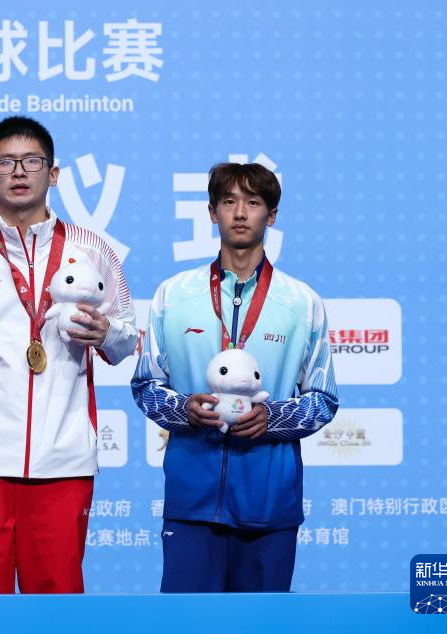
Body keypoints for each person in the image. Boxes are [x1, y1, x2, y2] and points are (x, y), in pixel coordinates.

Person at [0, 116, 138, 594]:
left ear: (53, 173)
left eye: (31, 161)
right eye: (6, 163)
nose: (19, 172)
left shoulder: (91, 250)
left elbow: (128, 339)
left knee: (57, 602)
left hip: (64, 459)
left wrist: (106, 333)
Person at [131, 162, 339, 592]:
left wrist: (272, 418)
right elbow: (146, 385)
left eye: (253, 202)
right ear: (212, 212)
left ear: (272, 215)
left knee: (264, 623)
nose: (240, 212)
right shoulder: (173, 294)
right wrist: (184, 410)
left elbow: (323, 399)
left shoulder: (302, 302)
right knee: (187, 622)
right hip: (191, 502)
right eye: (228, 202)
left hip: (270, 503)